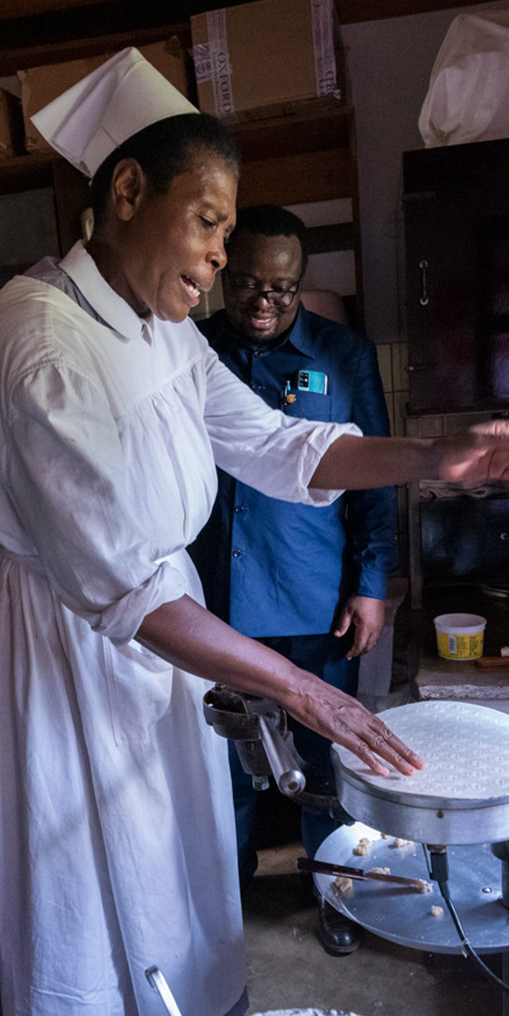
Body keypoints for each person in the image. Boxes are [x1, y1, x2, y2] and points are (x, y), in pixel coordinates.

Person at [0, 48, 509, 1016]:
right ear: (127, 193)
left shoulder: (160, 325)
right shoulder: (38, 342)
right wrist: (302, 693)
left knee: (175, 862)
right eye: (209, 221)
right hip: (72, 641)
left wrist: (438, 457)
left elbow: (276, 445)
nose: (225, 255)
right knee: (87, 873)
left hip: (155, 621)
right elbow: (116, 586)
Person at [189, 204, 395, 957]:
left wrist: (371, 582)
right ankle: (227, 896)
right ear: (221, 275)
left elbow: (375, 479)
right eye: (244, 283)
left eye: (281, 288)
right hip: (208, 604)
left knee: (324, 757)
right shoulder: (191, 350)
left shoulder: (342, 356)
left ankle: (335, 890)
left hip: (312, 599)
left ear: (301, 284)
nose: (262, 303)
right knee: (225, 762)